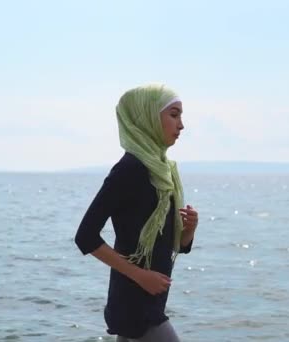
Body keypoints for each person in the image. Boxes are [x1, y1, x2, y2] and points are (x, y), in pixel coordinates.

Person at [75, 84, 199, 341]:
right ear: (148, 118)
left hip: (152, 302)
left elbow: (173, 245)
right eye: (174, 115)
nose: (182, 125)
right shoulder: (130, 169)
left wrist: (188, 231)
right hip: (134, 304)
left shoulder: (163, 171)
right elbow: (85, 236)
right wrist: (140, 276)